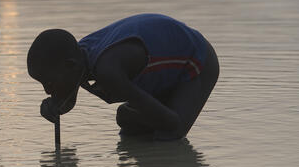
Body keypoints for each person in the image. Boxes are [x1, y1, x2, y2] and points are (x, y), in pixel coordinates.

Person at [27, 14, 219, 140]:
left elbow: (172, 123)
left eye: (49, 82)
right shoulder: (78, 60)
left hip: (196, 60)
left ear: (70, 66)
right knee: (129, 122)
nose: (47, 90)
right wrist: (56, 108)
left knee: (167, 136)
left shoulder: (108, 71)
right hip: (161, 73)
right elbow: (68, 100)